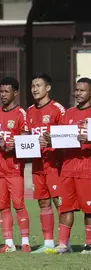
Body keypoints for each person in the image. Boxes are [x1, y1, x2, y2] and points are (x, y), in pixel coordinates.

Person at [47, 77, 91, 254]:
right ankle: (63, 244)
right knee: (65, 206)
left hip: (87, 167)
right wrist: (51, 139)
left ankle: (89, 244)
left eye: (82, 90)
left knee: (89, 208)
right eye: (77, 90)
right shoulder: (68, 113)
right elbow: (62, 136)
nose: (78, 93)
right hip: (67, 168)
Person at [26, 73, 67, 253]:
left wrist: (51, 142)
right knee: (43, 203)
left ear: (48, 88)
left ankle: (63, 243)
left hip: (55, 164)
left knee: (60, 202)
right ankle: (48, 243)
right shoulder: (29, 111)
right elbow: (26, 135)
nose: (35, 89)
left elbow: (68, 137)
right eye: (33, 86)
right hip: (37, 164)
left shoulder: (58, 109)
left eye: (38, 85)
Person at [0, 77, 31, 253]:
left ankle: (25, 242)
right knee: (2, 206)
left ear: (15, 93)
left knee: (19, 204)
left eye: (6, 92)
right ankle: (9, 243)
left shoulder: (21, 114)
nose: (3, 95)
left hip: (14, 168)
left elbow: (27, 138)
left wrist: (14, 144)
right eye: (1, 91)